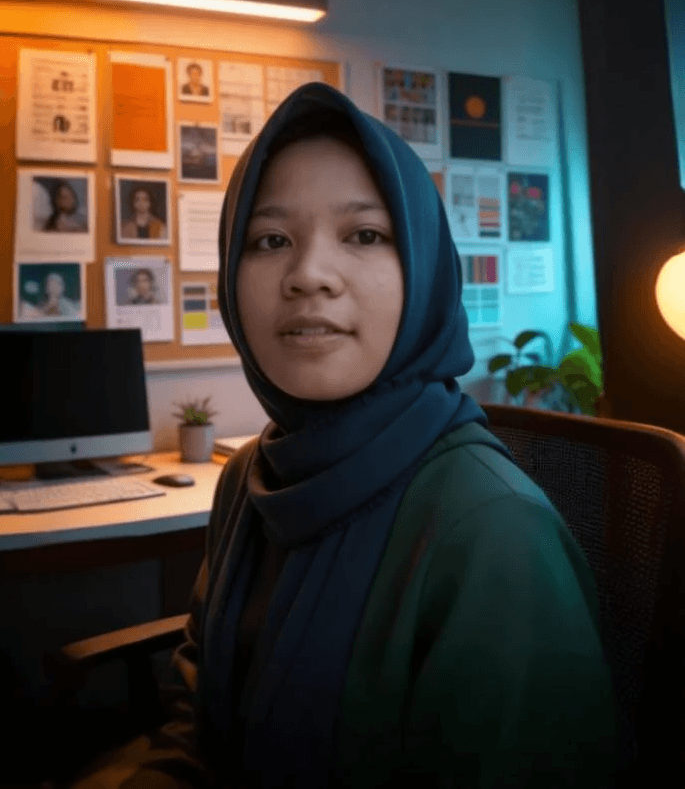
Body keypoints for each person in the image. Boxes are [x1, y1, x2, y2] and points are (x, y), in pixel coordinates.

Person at [70, 83, 617, 789]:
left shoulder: (492, 532)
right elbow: (201, 714)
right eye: (270, 240)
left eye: (364, 234)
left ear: (422, 271)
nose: (307, 276)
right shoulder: (252, 477)